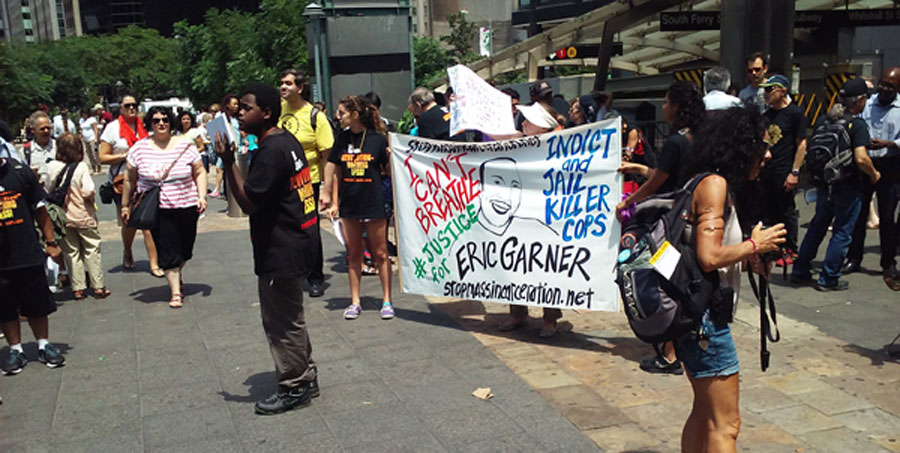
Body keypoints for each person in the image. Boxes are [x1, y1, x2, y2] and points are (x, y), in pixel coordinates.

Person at [680, 106, 786, 452]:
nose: (767, 154)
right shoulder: (715, 186)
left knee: (705, 411)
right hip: (707, 319)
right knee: (727, 425)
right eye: (761, 145)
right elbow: (708, 257)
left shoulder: (705, 181)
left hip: (695, 316)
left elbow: (710, 253)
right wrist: (757, 243)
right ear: (741, 146)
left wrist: (747, 256)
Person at [215, 83, 320, 415]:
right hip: (298, 240)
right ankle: (306, 376)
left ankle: (294, 386)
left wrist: (228, 161)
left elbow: (249, 203)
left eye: (246, 107)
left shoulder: (271, 151)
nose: (240, 112)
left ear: (267, 113)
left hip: (281, 247)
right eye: (239, 108)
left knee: (281, 322)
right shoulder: (285, 142)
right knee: (292, 316)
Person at [617, 80, 706, 374]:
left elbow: (658, 183)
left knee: (665, 280)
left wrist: (628, 201)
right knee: (685, 278)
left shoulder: (675, 142)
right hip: (691, 218)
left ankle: (669, 355)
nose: (663, 107)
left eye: (666, 102)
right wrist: (640, 169)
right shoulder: (698, 138)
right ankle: (689, 338)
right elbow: (667, 174)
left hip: (668, 223)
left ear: (677, 107)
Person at [790, 78, 881, 291]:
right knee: (842, 231)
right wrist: (874, 173)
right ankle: (829, 277)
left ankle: (800, 269)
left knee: (817, 226)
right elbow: (861, 158)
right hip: (847, 185)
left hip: (824, 185)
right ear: (859, 100)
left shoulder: (824, 121)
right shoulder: (856, 124)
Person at [121, 107, 207, 308]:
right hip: (157, 207)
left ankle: (177, 269)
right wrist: (125, 205)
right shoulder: (139, 149)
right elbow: (129, 178)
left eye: (165, 120)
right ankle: (175, 291)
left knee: (185, 248)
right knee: (166, 248)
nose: (161, 123)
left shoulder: (186, 145)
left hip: (186, 203)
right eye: (156, 120)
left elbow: (200, 171)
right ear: (150, 123)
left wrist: (202, 196)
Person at [320, 95, 394, 321]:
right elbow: (332, 165)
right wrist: (328, 193)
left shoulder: (378, 140)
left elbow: (389, 172)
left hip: (373, 200)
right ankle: (355, 301)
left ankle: (387, 299)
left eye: (341, 112)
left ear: (354, 114)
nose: (337, 116)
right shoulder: (341, 139)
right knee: (354, 254)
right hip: (350, 201)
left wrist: (391, 158)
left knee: (380, 253)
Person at [496, 101, 565, 337]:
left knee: (546, 265)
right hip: (518, 216)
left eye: (529, 120)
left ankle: (550, 318)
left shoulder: (559, 148)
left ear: (542, 126)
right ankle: (518, 313)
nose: (523, 123)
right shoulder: (516, 142)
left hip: (546, 218)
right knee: (515, 263)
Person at [1, 141, 67, 375]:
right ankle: (15, 349)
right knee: (5, 306)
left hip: (26, 249)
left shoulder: (19, 172)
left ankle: (44, 345)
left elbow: (40, 208)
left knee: (37, 302)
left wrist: (51, 242)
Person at [278, 69, 332, 298]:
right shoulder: (277, 111)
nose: (283, 87)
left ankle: (315, 277)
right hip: (281, 182)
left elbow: (327, 156)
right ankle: (291, 273)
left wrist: (328, 190)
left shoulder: (315, 116)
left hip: (308, 182)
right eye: (281, 83)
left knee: (309, 231)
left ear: (300, 88)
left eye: (288, 83)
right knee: (284, 229)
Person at [845, 68, 900, 291]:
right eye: (884, 84)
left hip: (891, 165)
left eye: (891, 86)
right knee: (858, 214)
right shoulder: (868, 103)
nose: (885, 89)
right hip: (867, 163)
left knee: (887, 217)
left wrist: (890, 144)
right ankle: (854, 257)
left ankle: (887, 263)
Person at [99, 93, 160, 276]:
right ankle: (128, 251)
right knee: (129, 223)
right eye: (127, 106)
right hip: (122, 181)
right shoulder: (112, 129)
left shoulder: (146, 127)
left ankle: (154, 263)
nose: (132, 108)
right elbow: (102, 157)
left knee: (149, 223)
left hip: (146, 181)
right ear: (121, 108)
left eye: (134, 105)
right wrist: (125, 156)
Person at [47, 134, 109, 300]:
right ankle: (98, 286)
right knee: (91, 250)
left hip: (63, 218)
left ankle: (78, 288)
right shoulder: (81, 167)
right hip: (83, 215)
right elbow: (88, 190)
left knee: (71, 253)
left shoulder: (52, 166)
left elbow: (48, 188)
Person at [759, 74, 807, 266]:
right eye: (765, 90)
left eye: (770, 89)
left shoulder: (795, 114)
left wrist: (795, 171)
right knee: (770, 209)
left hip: (784, 169)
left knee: (787, 209)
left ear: (783, 90)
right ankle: (774, 248)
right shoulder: (767, 116)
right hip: (768, 171)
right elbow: (765, 140)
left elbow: (802, 143)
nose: (766, 93)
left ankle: (791, 249)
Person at [210, 94, 240, 199]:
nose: (236, 106)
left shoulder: (238, 118)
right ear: (228, 105)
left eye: (237, 104)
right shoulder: (222, 117)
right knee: (222, 169)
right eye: (234, 104)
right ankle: (224, 193)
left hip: (238, 149)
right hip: (227, 148)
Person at [25, 111, 57, 189]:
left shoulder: (59, 147)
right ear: (33, 130)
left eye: (48, 128)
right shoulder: (25, 151)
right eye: (42, 129)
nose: (46, 131)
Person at [79, 108, 101, 173]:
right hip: (85, 139)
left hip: (92, 138)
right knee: (89, 154)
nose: (84, 115)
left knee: (95, 154)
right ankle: (93, 168)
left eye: (85, 113)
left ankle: (98, 167)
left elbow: (95, 129)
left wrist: (96, 138)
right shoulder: (81, 120)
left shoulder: (92, 120)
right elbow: (81, 129)